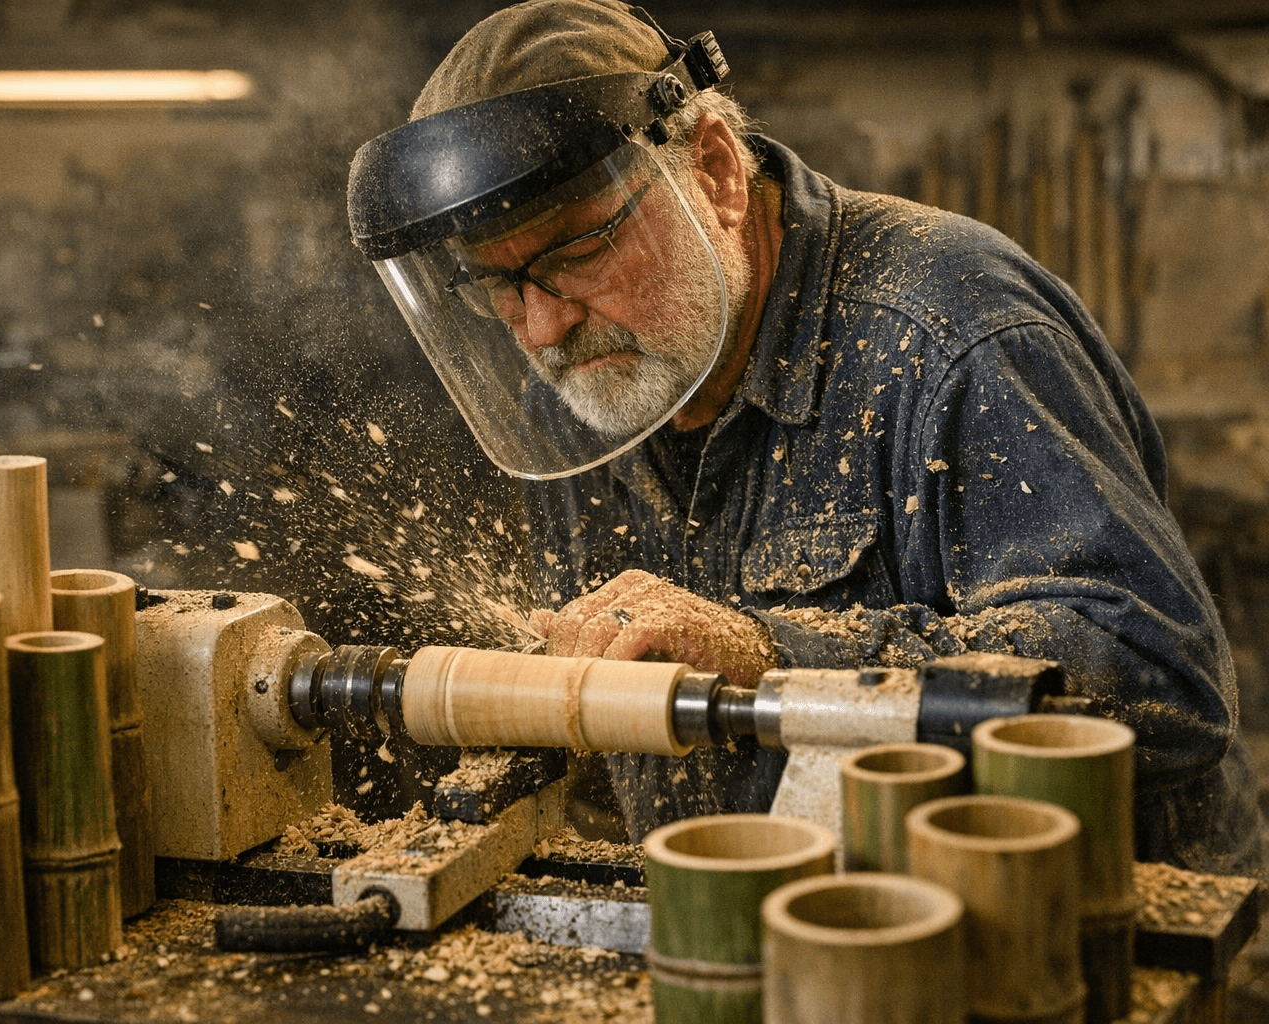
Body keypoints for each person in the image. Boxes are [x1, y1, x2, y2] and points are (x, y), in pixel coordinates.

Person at [346, 0, 1264, 876]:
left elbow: (1162, 686)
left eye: (578, 252)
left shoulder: (949, 331)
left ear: (712, 171)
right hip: (758, 927)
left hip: (1065, 931)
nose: (541, 329)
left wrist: (771, 655)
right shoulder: (583, 393)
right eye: (498, 288)